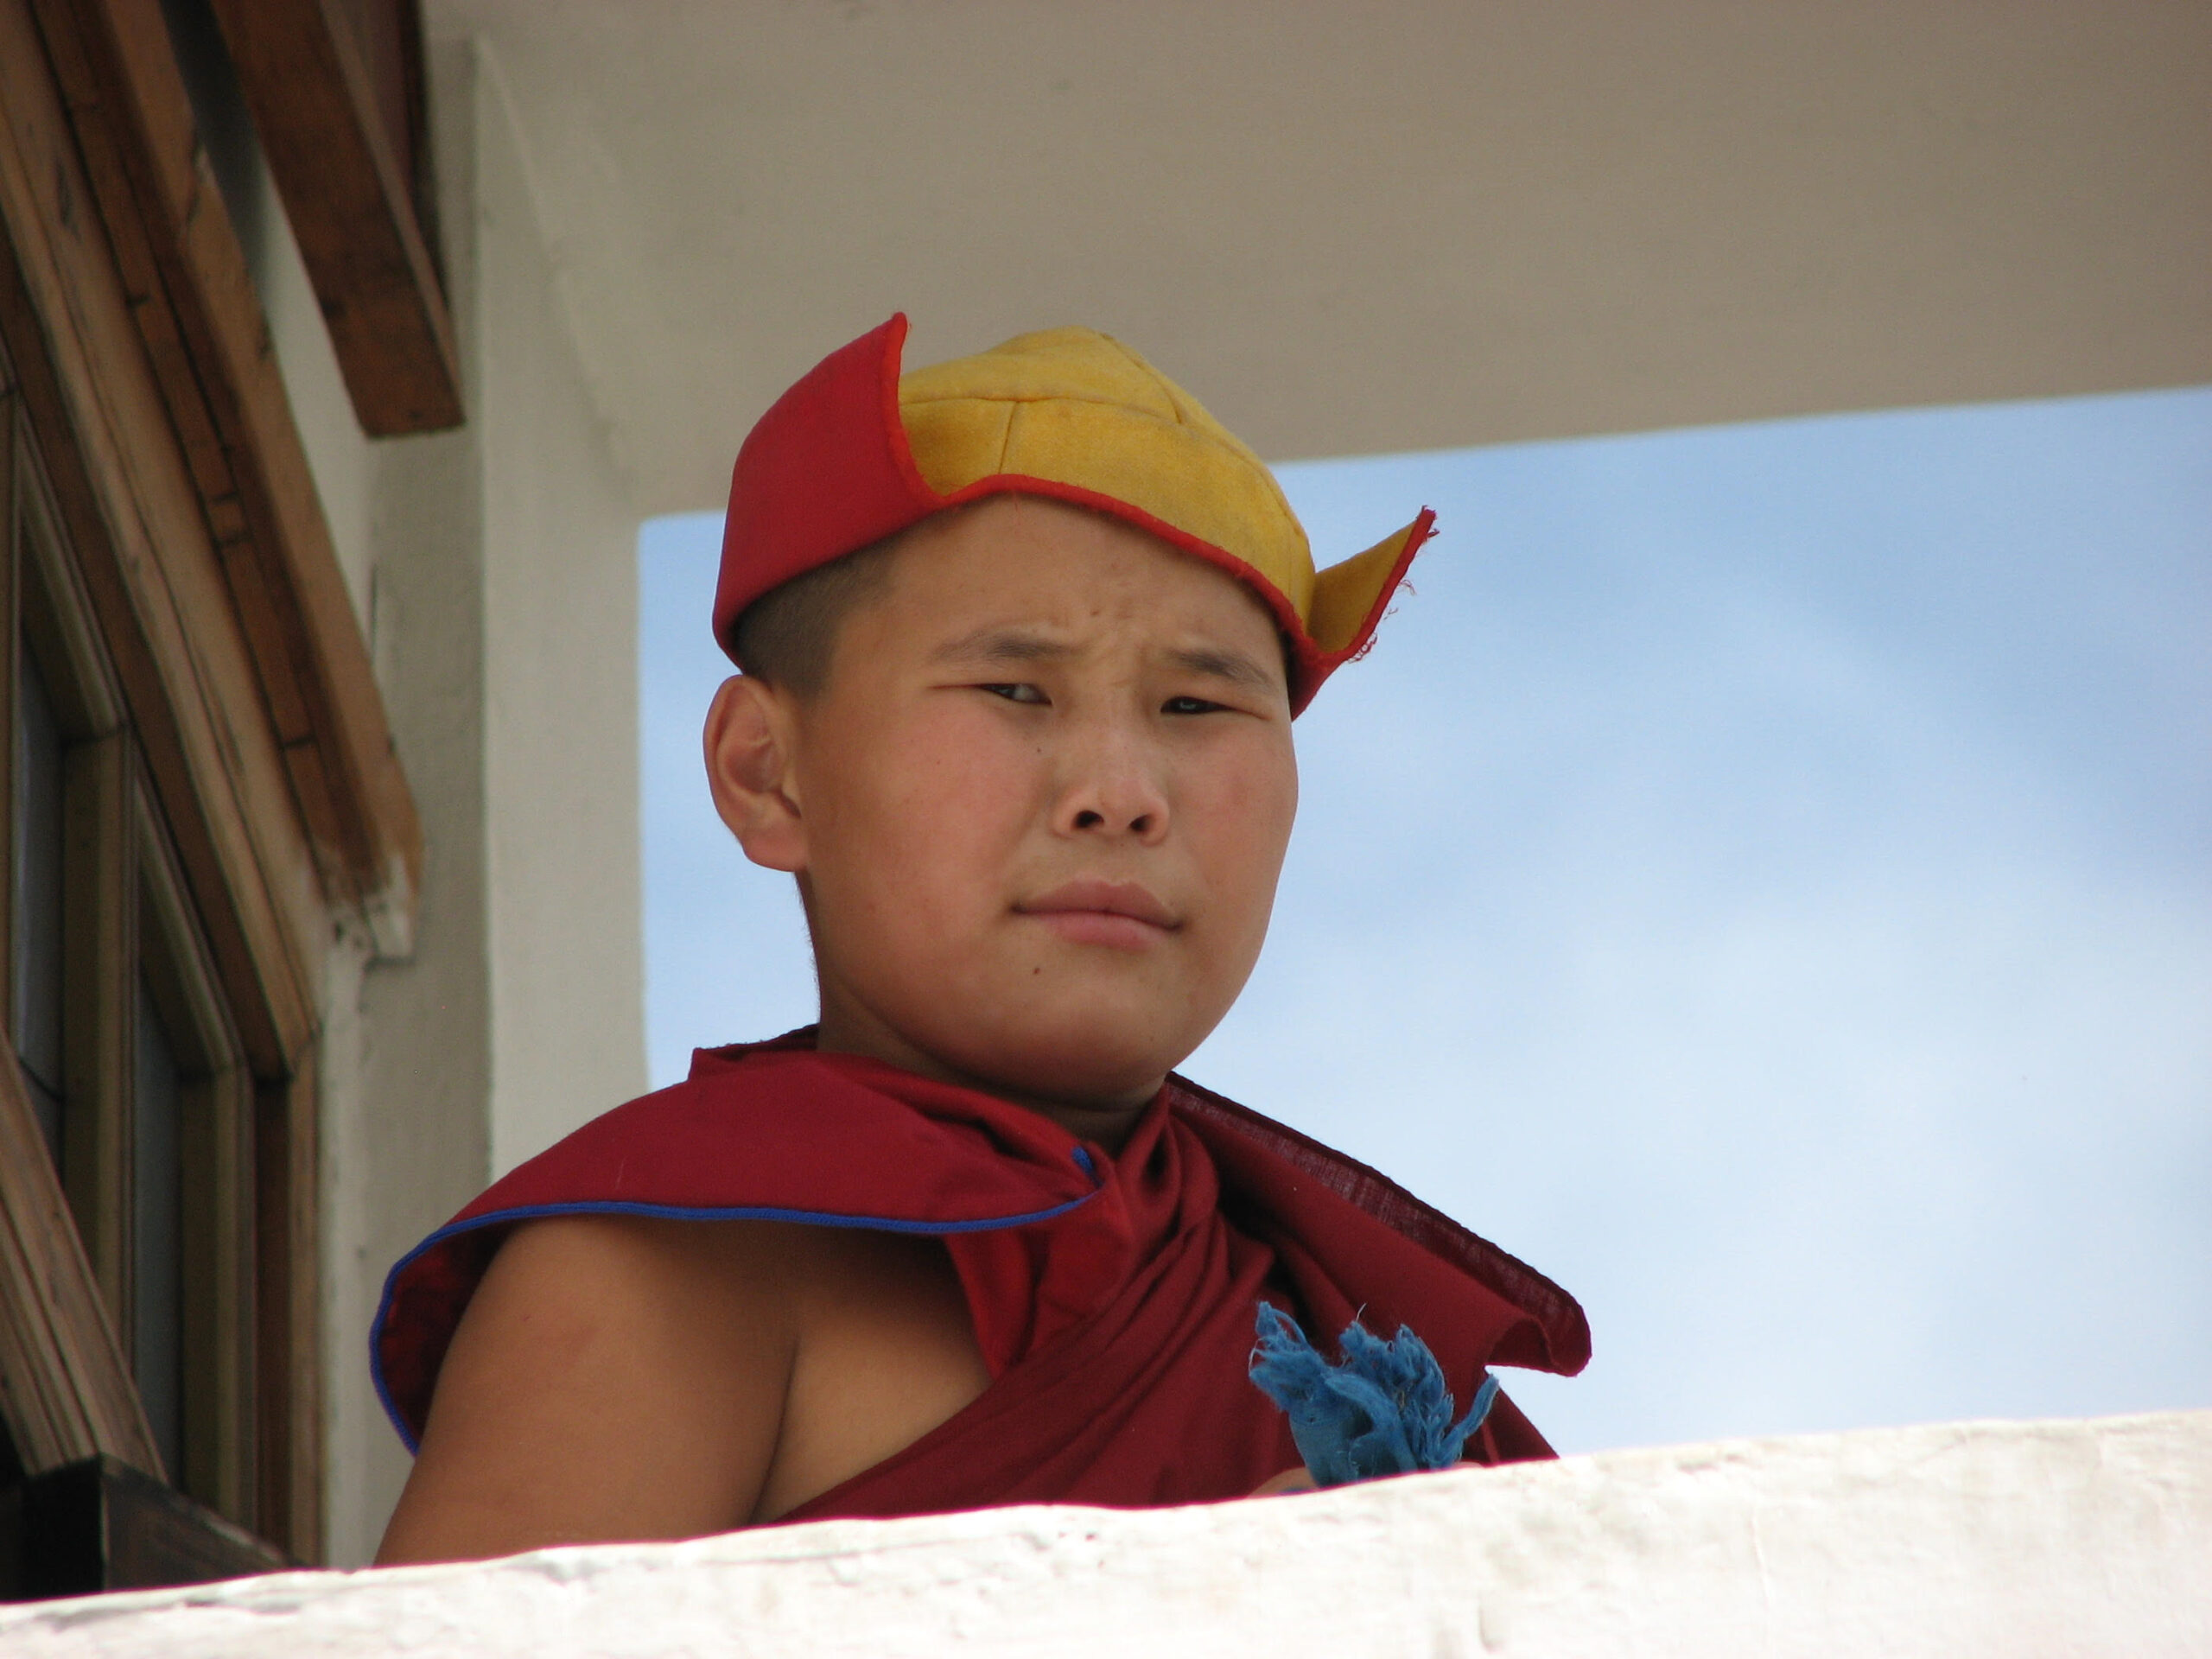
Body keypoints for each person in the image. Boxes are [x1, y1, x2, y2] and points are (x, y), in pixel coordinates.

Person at [370, 316, 1588, 1565]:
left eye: (1198, 704)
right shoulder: (680, 1259)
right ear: (768, 772)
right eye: (1017, 691)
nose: (1120, 791)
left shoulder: (1353, 1350)